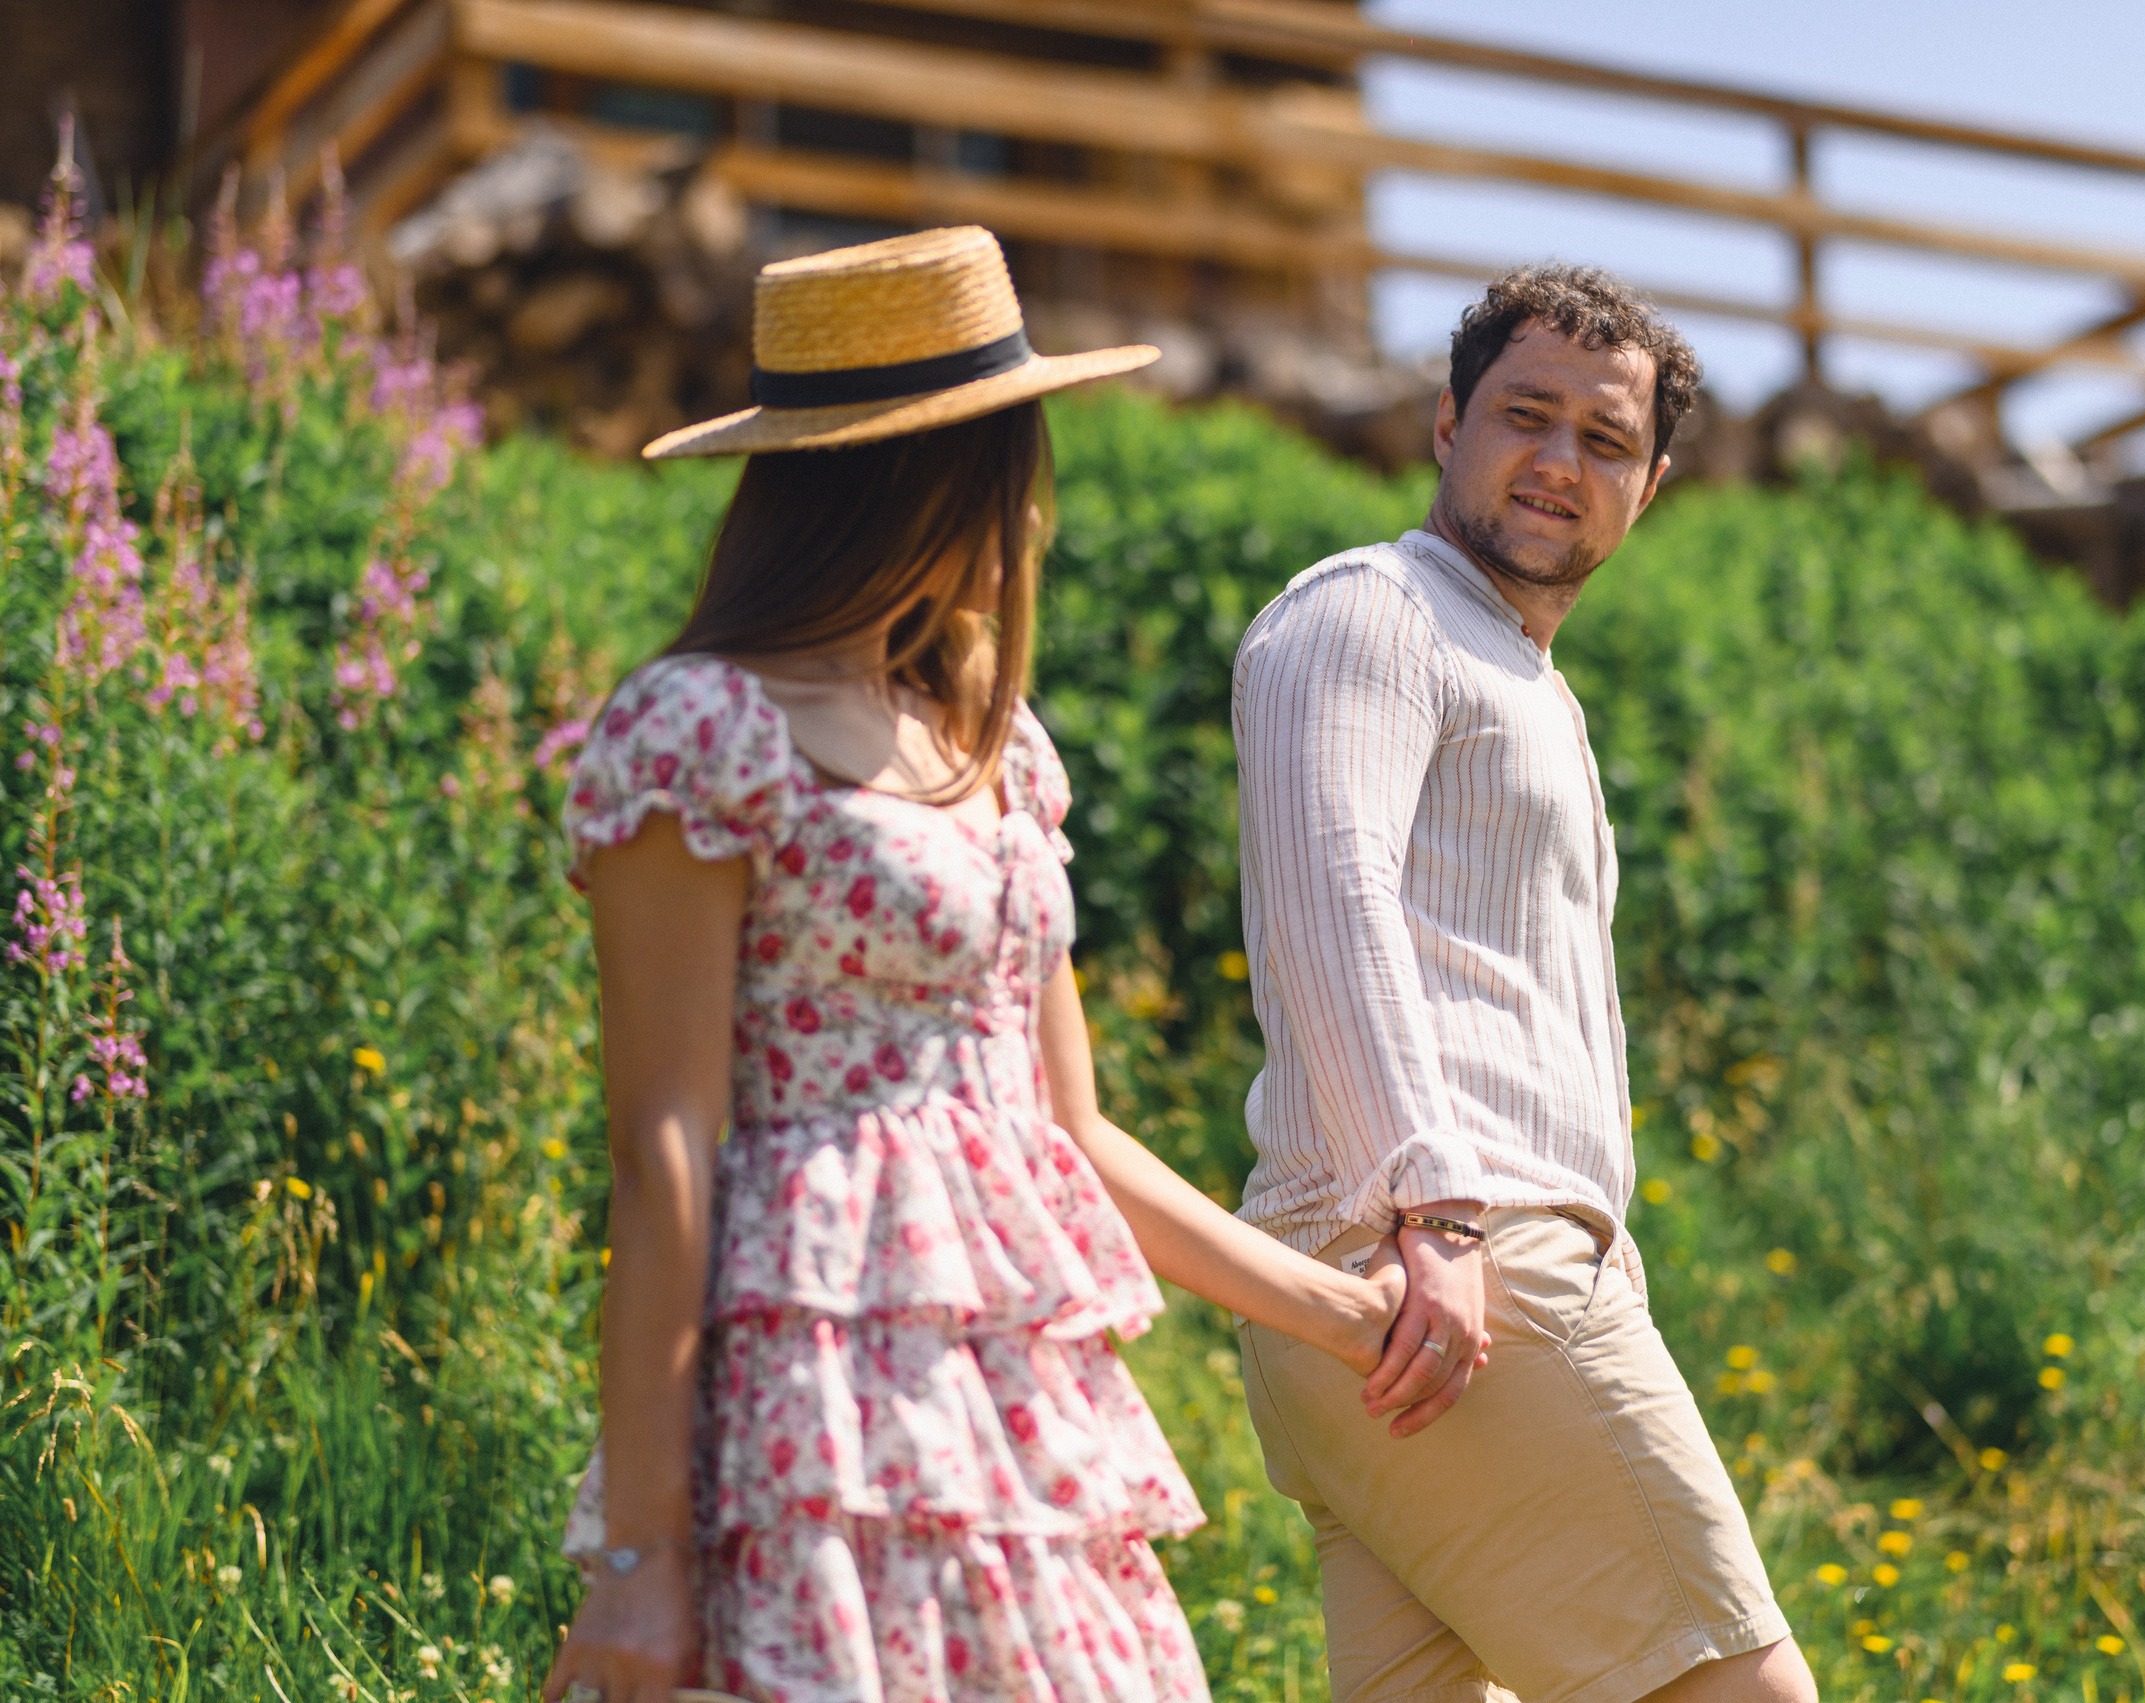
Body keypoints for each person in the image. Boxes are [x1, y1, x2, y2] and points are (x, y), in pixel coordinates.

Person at [538, 227, 1408, 1703]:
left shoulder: (998, 746)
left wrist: (1343, 1313)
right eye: (1018, 457)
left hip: (1008, 1412)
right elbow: (664, 1150)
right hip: (808, 1396)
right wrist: (644, 1559)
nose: (1035, 504)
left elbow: (1063, 1137)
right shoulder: (700, 729)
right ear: (930, 472)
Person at [1229, 265, 1819, 1703]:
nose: (1559, 463)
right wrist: (1439, 1209)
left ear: (1652, 485)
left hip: (1410, 1287)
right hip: (1440, 1268)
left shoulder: (1524, 679)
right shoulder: (1374, 612)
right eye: (1525, 417)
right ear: (1447, 423)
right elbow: (1336, 903)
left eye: (1604, 442)